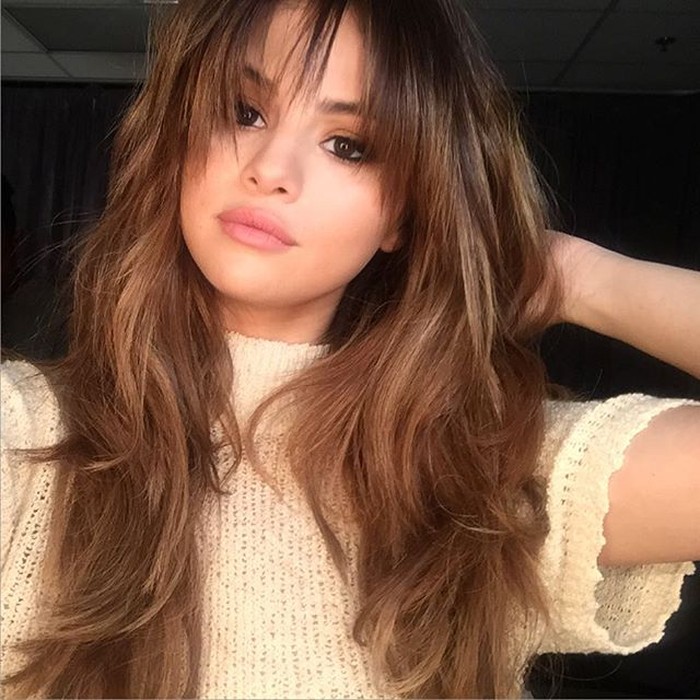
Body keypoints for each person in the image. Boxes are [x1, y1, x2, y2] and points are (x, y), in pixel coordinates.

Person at [1, 0, 698, 698]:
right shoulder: (30, 435)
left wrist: (580, 278)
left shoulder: (481, 470)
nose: (271, 168)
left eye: (348, 145)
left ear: (403, 214)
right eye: (244, 112)